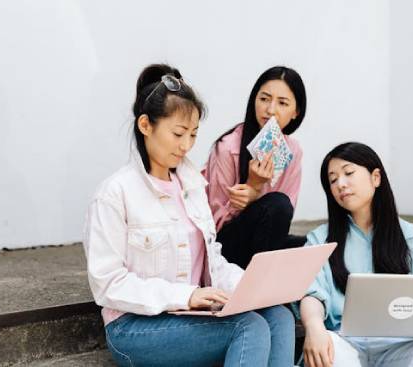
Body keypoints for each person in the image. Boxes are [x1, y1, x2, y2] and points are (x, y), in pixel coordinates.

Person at [83, 63, 295, 367]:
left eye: (193, 135)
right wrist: (186, 296)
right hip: (134, 326)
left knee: (278, 315)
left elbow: (213, 260)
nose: (186, 146)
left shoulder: (192, 186)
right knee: (248, 326)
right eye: (178, 133)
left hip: (192, 313)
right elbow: (108, 283)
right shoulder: (115, 193)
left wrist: (252, 287)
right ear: (146, 125)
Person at [297, 142, 413, 367]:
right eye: (333, 179)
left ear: (375, 177)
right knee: (328, 348)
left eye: (348, 173)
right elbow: (312, 294)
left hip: (404, 347)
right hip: (345, 344)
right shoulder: (319, 239)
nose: (341, 184)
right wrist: (315, 328)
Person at [203, 66, 307, 269]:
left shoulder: (293, 150)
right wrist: (252, 186)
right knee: (278, 203)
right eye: (264, 99)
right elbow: (215, 226)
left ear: (296, 112)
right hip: (226, 246)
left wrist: (255, 196)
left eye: (283, 103)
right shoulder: (227, 148)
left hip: (265, 241)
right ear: (254, 100)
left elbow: (282, 217)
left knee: (312, 243)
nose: (270, 110)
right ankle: (258, 289)